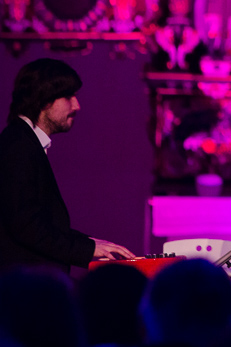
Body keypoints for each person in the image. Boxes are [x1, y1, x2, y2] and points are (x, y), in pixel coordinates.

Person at [0, 59, 134, 273]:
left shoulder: (23, 142)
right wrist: (85, 248)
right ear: (43, 100)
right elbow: (25, 225)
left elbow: (38, 223)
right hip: (25, 287)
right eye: (68, 96)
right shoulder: (18, 146)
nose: (76, 106)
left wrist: (89, 244)